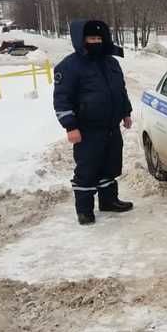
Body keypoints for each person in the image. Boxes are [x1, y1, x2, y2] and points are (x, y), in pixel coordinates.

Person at [53, 19, 134, 225]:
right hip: (87, 130)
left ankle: (108, 201)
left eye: (99, 38)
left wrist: (126, 112)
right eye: (91, 38)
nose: (96, 41)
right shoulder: (69, 66)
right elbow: (62, 99)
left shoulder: (111, 63)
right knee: (87, 169)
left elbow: (120, 90)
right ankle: (84, 210)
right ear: (81, 40)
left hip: (111, 127)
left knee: (110, 165)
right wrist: (71, 126)